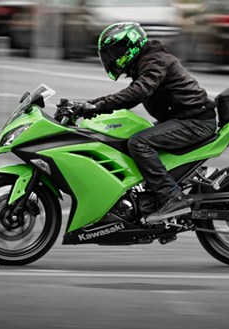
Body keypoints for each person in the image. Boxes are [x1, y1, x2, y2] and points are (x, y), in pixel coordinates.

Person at [71, 22, 216, 221]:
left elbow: (138, 92)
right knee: (129, 136)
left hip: (195, 122)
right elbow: (132, 94)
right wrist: (86, 105)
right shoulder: (147, 61)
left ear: (129, 47)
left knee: (138, 143)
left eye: (114, 52)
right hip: (184, 119)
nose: (111, 58)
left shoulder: (155, 61)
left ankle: (172, 198)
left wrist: (96, 107)